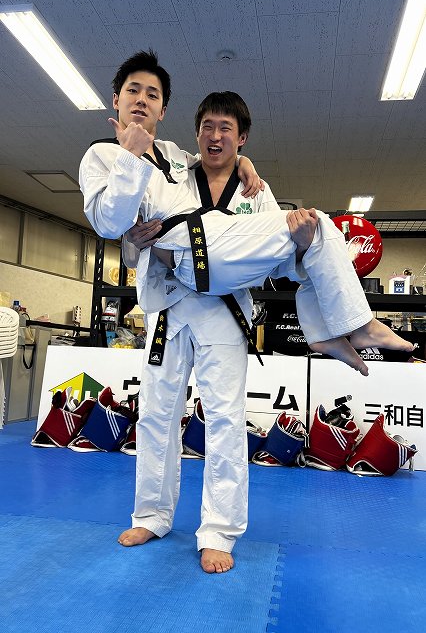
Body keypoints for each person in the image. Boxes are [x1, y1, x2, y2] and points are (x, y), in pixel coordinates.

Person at [79, 54, 412, 574]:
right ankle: (152, 515)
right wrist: (130, 166)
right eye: (133, 92)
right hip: (171, 304)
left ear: (164, 110)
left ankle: (218, 531)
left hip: (223, 307)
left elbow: (261, 242)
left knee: (226, 421)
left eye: (152, 94)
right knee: (157, 418)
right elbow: (113, 223)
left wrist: (245, 167)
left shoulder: (191, 164)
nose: (141, 101)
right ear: (116, 100)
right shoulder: (117, 156)